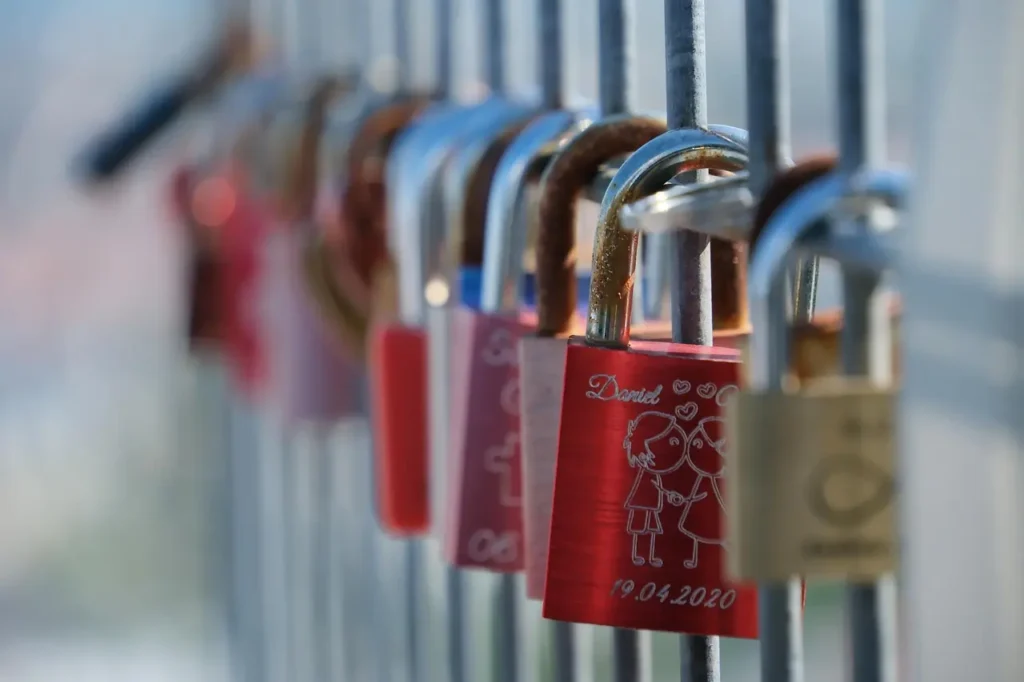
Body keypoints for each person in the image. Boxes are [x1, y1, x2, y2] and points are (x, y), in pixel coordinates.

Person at [623, 411, 688, 567]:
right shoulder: (646, 473)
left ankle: (648, 556)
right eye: (667, 442)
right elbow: (655, 485)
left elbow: (658, 485)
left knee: (651, 529)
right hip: (642, 504)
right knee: (639, 529)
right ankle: (637, 555)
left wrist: (669, 493)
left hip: (651, 505)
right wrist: (669, 493)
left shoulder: (653, 473)